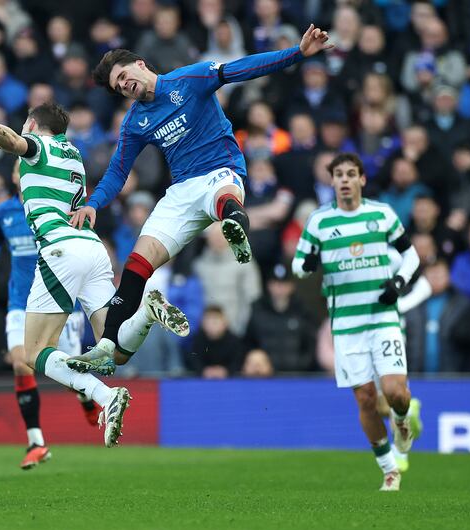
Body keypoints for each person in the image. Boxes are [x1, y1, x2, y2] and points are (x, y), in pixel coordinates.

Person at [69, 24, 334, 365]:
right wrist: (93, 203)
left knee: (223, 196)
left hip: (220, 171)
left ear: (139, 64)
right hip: (181, 191)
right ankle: (106, 346)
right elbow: (118, 171)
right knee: (137, 264)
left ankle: (235, 222)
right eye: (117, 87)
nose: (123, 86)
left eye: (122, 76)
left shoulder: (189, 79)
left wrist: (296, 53)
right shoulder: (135, 122)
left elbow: (242, 68)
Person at [0, 96, 190, 449]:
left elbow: (18, 142)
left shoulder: (39, 144)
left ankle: (104, 395)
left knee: (33, 352)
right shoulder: (73, 154)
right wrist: (11, 144)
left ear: (34, 125)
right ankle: (146, 313)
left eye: (25, 125)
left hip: (60, 250)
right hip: (93, 250)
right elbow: (18, 146)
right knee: (114, 349)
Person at [291, 152, 421, 491]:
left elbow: (411, 255)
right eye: (339, 174)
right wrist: (310, 262)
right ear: (331, 181)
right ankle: (389, 469)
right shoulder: (319, 222)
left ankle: (403, 419)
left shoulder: (381, 215)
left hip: (382, 320)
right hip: (346, 327)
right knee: (364, 398)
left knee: (395, 393)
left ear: (362, 179)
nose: (345, 180)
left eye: (351, 174)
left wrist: (398, 283)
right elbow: (298, 265)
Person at [0, 174, 100, 470]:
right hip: (20, 302)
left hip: (60, 303)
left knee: (65, 372)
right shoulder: (3, 212)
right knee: (20, 362)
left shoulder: (58, 206)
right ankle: (36, 442)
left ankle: (84, 396)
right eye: (18, 166)